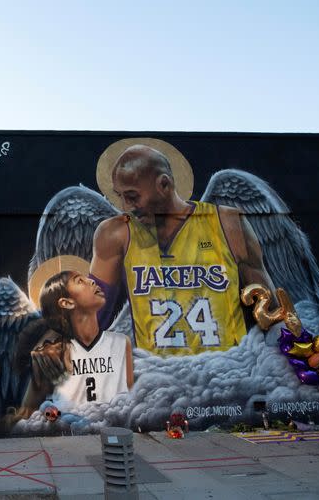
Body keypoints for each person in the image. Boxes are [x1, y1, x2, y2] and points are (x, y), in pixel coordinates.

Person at [90, 144, 275, 355]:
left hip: (227, 375)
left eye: (132, 196)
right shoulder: (115, 234)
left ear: (164, 184)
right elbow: (91, 318)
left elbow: (272, 312)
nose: (126, 206)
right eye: (120, 196)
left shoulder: (227, 224)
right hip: (159, 379)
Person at [17, 270, 134, 418]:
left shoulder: (122, 343)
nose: (92, 281)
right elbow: (27, 412)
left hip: (113, 428)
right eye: (80, 281)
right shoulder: (53, 354)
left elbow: (131, 400)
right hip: (71, 435)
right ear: (67, 302)